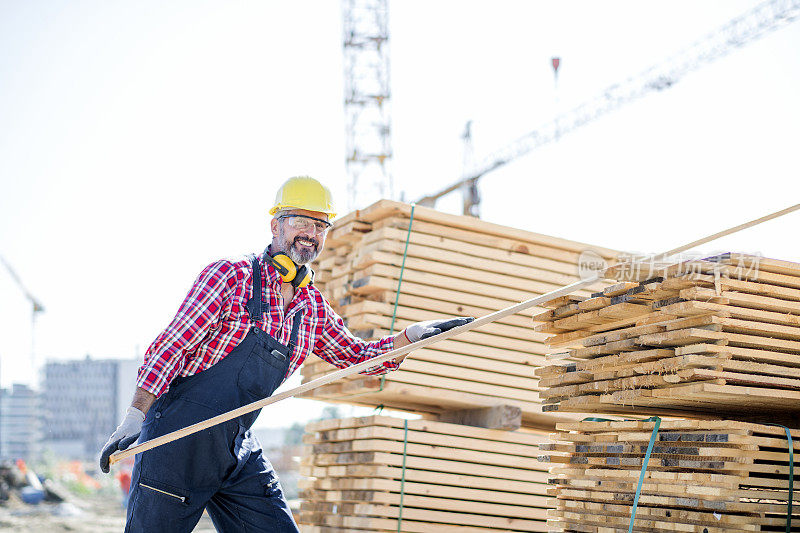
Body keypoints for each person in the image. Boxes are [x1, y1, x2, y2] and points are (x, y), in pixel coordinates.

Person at [99, 176, 472, 532]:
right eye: (301, 222)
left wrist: (411, 336)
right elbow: (172, 345)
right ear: (275, 226)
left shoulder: (312, 306)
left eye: (321, 226)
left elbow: (359, 356)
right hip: (177, 443)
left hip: (236, 446)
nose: (311, 233)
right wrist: (135, 415)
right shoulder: (231, 277)